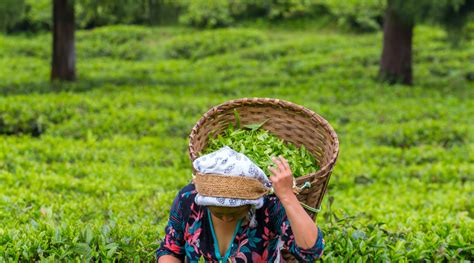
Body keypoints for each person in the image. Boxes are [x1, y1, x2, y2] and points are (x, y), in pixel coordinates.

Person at [156, 146, 324, 262]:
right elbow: (171, 250)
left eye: (234, 212)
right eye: (217, 212)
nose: (226, 218)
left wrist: (287, 196)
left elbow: (310, 253)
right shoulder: (188, 200)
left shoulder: (268, 206)